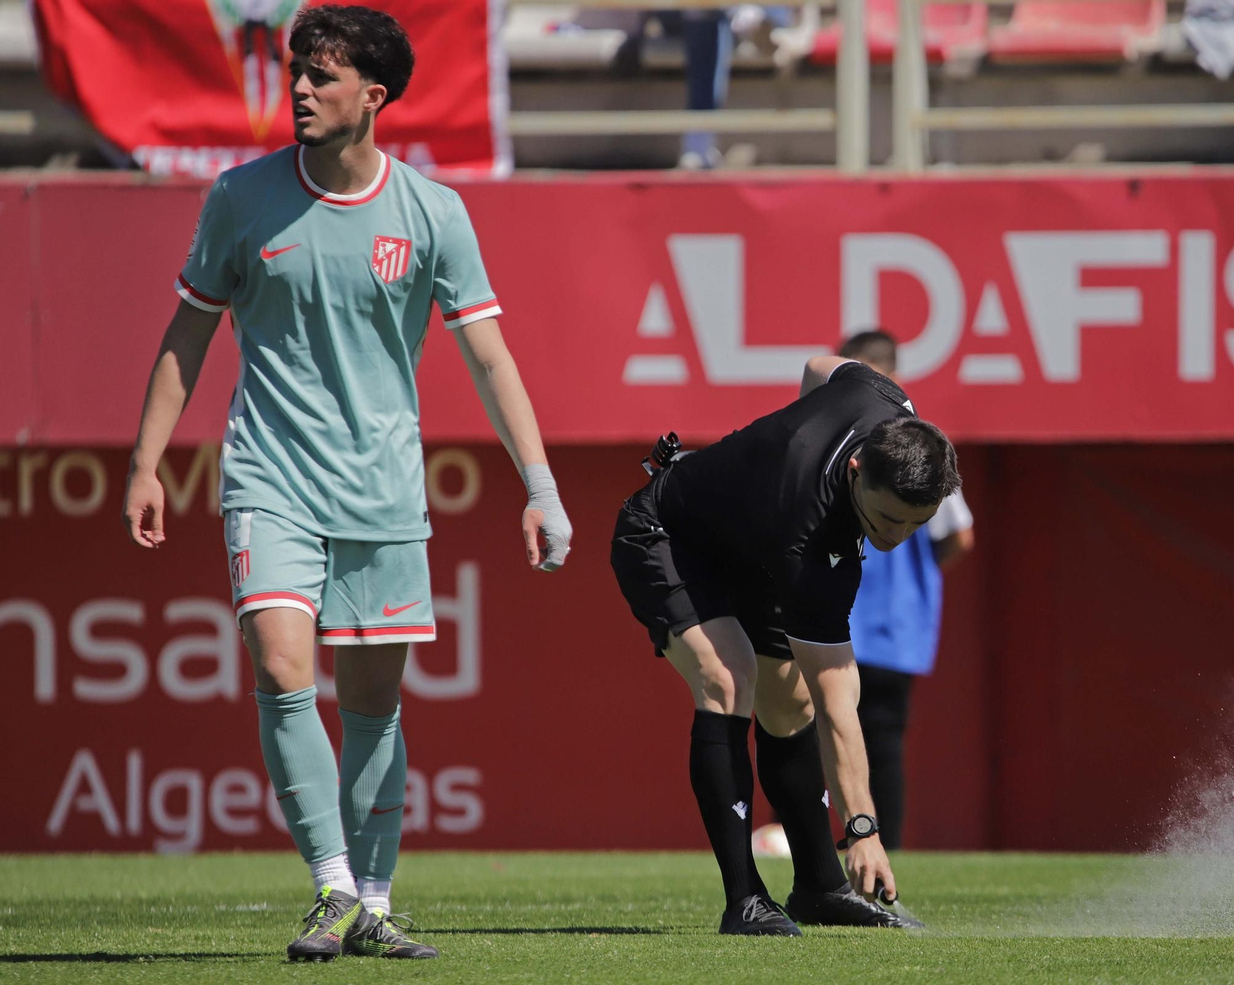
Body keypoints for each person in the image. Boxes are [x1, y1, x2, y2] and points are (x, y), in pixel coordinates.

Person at [121, 5, 572, 962]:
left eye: (322, 77)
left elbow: (492, 359)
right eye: (296, 73)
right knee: (284, 672)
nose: (299, 90)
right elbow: (189, 333)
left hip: (382, 491)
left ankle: (372, 899)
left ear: (374, 96)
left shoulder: (433, 212)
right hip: (268, 478)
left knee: (373, 707)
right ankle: (330, 885)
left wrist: (541, 486)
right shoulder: (239, 197)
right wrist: (145, 462)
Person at [610, 355, 960, 934]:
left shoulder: (891, 405)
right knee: (729, 679)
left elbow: (823, 366)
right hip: (670, 534)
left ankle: (820, 889)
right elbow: (838, 702)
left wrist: (799, 422)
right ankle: (743, 899)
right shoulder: (810, 536)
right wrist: (864, 830)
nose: (896, 540)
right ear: (854, 469)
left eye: (914, 526)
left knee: (787, 703)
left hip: (755, 547)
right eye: (886, 520)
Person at [838, 332, 974, 851]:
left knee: (865, 735)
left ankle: (871, 849)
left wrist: (909, 573)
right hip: (875, 620)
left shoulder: (915, 448)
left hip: (876, 620)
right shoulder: (867, 440)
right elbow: (959, 537)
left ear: (886, 378)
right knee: (857, 734)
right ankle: (857, 848)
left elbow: (958, 533)